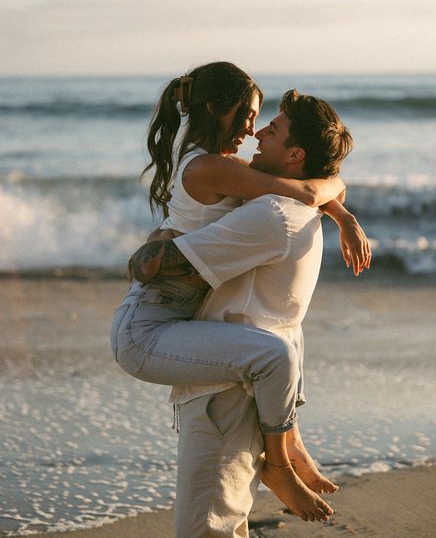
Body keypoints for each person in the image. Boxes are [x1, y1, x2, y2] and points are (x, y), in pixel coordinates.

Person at [127, 86, 371, 535]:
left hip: (225, 392)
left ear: (294, 155)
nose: (256, 132)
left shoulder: (273, 215)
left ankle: (285, 456)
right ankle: (288, 447)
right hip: (236, 380)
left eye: (271, 130)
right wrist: (343, 212)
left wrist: (158, 245)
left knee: (207, 530)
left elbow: (149, 268)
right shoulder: (290, 206)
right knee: (225, 524)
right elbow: (318, 186)